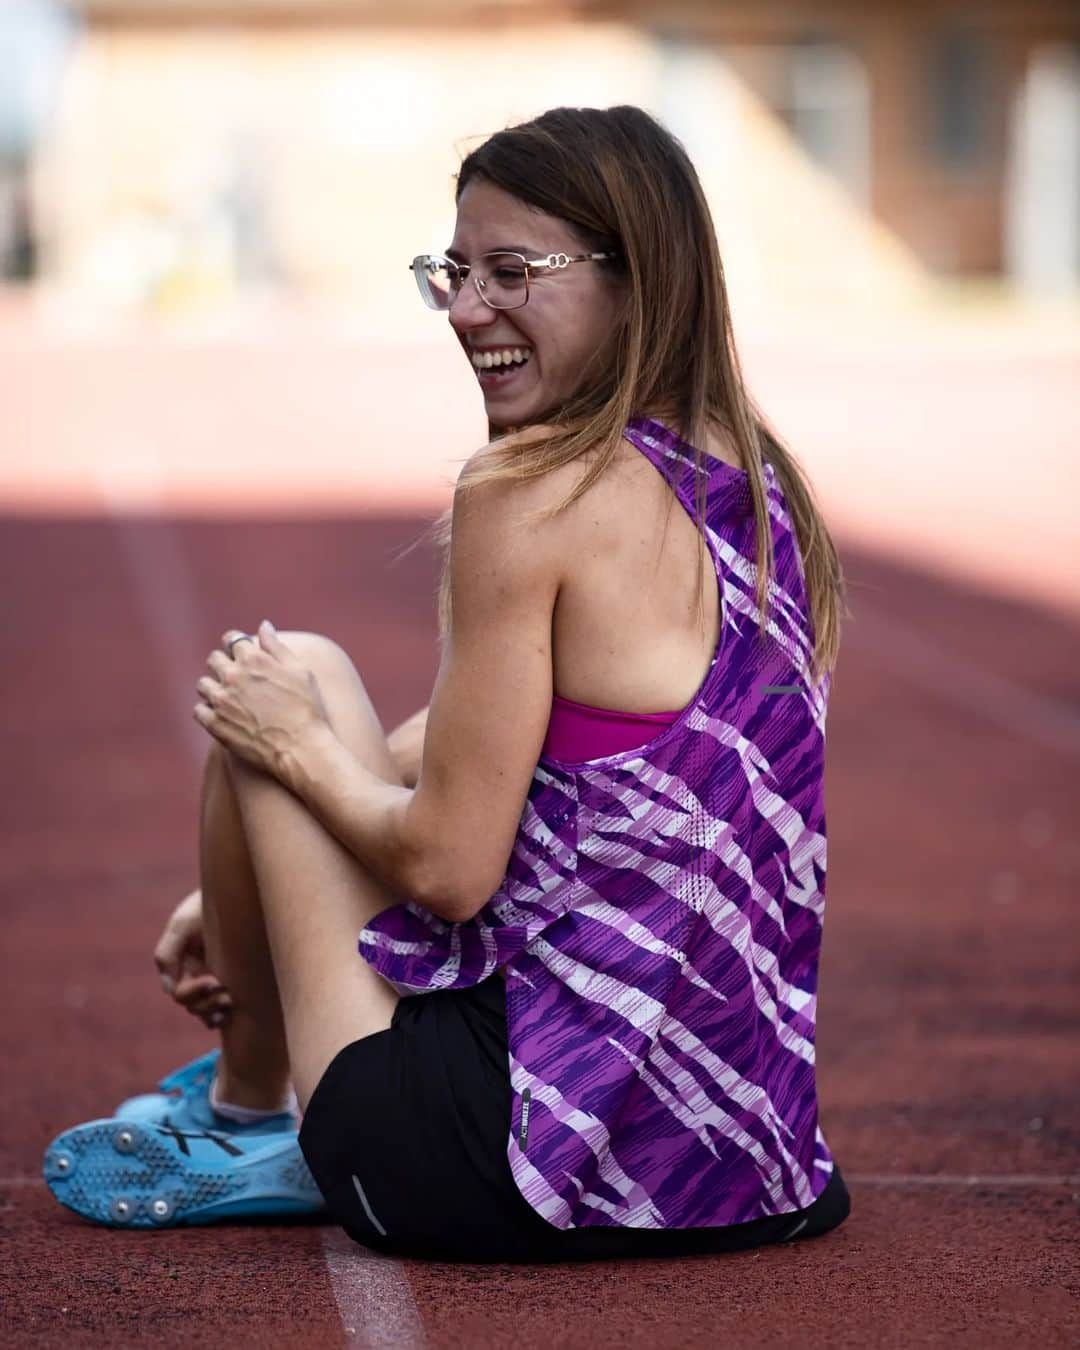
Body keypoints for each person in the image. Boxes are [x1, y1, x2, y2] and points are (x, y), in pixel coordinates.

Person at [43, 104, 852, 1262]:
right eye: (453, 273)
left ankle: (247, 1108)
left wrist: (299, 756)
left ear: (635, 278)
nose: (469, 312)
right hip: (743, 1173)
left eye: (513, 272)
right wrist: (264, 888)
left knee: (289, 683)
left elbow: (449, 868)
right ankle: (255, 1092)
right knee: (305, 709)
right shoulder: (765, 491)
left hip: (501, 1167)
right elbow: (541, 736)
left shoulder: (528, 491)